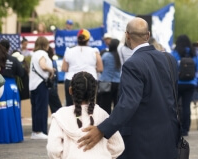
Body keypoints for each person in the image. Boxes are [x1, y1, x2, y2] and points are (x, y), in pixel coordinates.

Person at [77, 17, 180, 159]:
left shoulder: (132, 64)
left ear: (127, 36)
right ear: (148, 35)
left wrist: (102, 130)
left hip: (142, 142)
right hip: (169, 136)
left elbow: (128, 103)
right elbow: (172, 97)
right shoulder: (170, 60)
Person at [47, 72, 124, 158]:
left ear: (70, 90)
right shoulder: (103, 114)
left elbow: (53, 149)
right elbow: (118, 146)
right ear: (94, 91)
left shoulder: (60, 116)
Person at [0, 38, 25, 144]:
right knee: (12, 111)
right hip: (12, 88)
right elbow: (21, 73)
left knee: (0, 111)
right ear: (8, 48)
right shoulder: (13, 59)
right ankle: (14, 137)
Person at [61, 29, 103, 106]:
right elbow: (100, 68)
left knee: (70, 106)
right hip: (90, 80)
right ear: (88, 39)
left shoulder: (69, 51)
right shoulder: (94, 51)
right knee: (89, 105)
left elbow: (64, 68)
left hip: (71, 80)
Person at [171, 34, 198, 136]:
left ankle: (175, 127)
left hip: (177, 83)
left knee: (174, 106)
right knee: (186, 106)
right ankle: (186, 129)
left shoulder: (175, 53)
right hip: (190, 83)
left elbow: (172, 66)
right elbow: (197, 68)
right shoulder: (194, 53)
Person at [29, 37, 55, 139]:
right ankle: (40, 131)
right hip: (40, 84)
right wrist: (52, 70)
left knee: (35, 108)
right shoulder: (42, 54)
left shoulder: (34, 54)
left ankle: (35, 131)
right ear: (45, 44)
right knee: (42, 108)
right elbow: (43, 66)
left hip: (33, 84)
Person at [98, 39, 121, 114]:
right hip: (118, 83)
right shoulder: (120, 57)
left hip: (105, 82)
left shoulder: (106, 55)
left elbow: (101, 67)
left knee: (105, 106)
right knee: (117, 105)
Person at [46, 46, 62, 113]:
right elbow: (56, 76)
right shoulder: (53, 62)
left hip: (48, 86)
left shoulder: (47, 62)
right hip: (52, 86)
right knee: (56, 108)